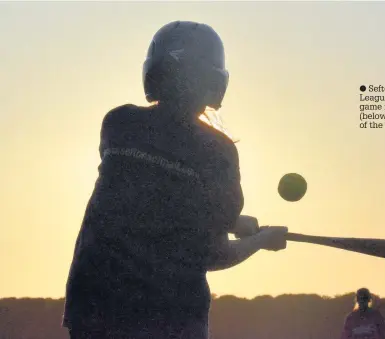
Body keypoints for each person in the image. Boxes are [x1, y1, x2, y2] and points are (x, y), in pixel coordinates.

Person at [62, 21, 288, 339]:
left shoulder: (118, 124)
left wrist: (232, 222)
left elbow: (151, 199)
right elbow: (211, 254)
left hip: (93, 309)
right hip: (170, 317)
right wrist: (261, 241)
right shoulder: (216, 151)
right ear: (214, 81)